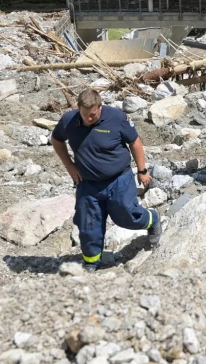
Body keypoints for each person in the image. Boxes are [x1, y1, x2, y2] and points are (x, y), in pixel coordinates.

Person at [51, 88, 160, 270]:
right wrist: (69, 166)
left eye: (92, 115)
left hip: (118, 179)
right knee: (88, 225)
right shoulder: (68, 121)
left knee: (126, 216)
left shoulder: (117, 118)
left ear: (100, 107)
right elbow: (56, 140)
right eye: (85, 115)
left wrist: (142, 170)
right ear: (78, 108)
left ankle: (152, 219)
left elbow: (135, 142)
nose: (89, 119)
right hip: (87, 184)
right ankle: (92, 263)